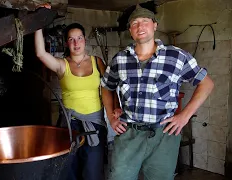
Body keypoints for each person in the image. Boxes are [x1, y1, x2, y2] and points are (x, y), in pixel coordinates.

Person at [101, 5, 214, 180]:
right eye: (135, 23)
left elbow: (206, 84)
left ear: (154, 25)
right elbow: (107, 86)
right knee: (119, 177)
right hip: (129, 133)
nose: (140, 27)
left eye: (145, 21)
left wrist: (184, 116)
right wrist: (111, 116)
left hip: (164, 135)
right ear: (130, 30)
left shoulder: (176, 56)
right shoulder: (120, 59)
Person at [34, 5, 114, 180]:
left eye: (79, 38)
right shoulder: (62, 64)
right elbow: (40, 53)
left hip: (95, 124)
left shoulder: (97, 62)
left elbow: (110, 88)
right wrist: (39, 20)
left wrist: (114, 114)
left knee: (92, 171)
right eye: (71, 39)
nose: (76, 43)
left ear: (85, 40)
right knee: (69, 170)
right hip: (70, 125)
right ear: (66, 43)